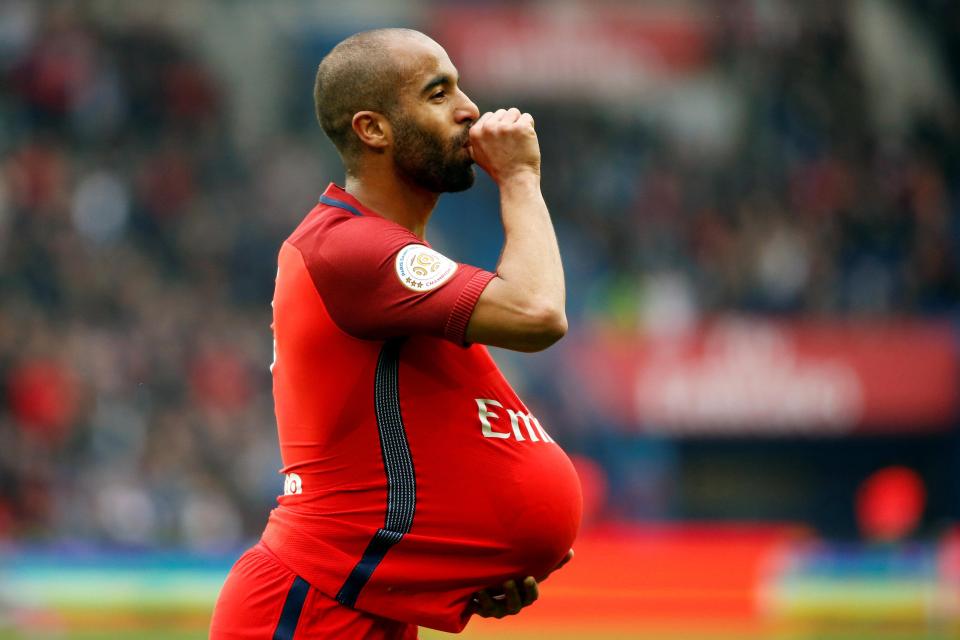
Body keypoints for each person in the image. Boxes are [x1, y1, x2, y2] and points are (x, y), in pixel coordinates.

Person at [210, 28, 582, 639]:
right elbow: (538, 313)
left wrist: (460, 561)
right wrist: (519, 178)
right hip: (310, 605)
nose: (469, 109)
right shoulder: (351, 248)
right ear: (373, 129)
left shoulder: (388, 257)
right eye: (438, 94)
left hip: (365, 603)